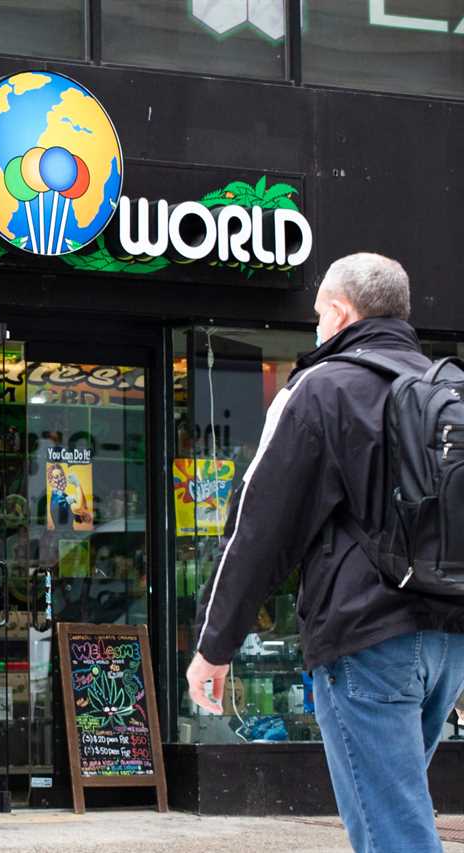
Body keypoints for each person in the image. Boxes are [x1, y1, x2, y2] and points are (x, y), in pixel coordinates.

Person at [185, 253, 464, 853]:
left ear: (338, 313)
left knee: (391, 828)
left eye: (316, 315)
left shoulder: (322, 388)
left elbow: (259, 530)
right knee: (393, 807)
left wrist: (215, 646)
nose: (315, 327)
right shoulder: (444, 389)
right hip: (448, 637)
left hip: (368, 639)